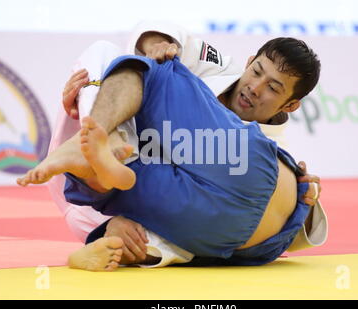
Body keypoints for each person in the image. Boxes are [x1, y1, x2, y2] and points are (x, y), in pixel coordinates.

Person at [18, 34, 324, 271]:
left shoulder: (253, 136)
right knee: (129, 213)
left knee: (141, 69)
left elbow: (151, 53)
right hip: (242, 244)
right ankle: (113, 237)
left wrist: (90, 96)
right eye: (257, 72)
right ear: (249, 62)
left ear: (290, 105)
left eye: (273, 88)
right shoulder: (219, 77)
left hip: (226, 220)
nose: (256, 88)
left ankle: (110, 222)